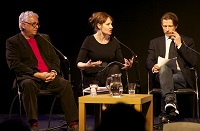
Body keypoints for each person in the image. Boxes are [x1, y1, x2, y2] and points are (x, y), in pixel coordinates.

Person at [5, 11, 78, 131]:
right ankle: (33, 124)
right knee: (28, 85)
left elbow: (54, 58)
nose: (36, 27)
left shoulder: (44, 38)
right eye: (33, 24)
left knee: (65, 84)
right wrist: (38, 74)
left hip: (49, 76)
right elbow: (14, 64)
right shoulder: (13, 41)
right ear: (23, 25)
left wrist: (54, 71)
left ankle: (73, 123)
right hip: (30, 77)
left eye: (37, 24)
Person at [146, 12, 198, 123]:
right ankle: (170, 103)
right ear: (161, 26)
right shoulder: (155, 42)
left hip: (181, 77)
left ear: (176, 26)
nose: (167, 29)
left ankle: (166, 112)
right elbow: (149, 61)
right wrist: (153, 67)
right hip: (160, 75)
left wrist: (180, 45)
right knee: (164, 69)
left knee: (165, 78)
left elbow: (194, 62)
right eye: (165, 26)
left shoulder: (187, 41)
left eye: (170, 26)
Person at [76, 11, 134, 90]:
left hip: (110, 75)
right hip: (93, 76)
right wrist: (86, 65)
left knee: (115, 68)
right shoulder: (89, 40)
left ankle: (112, 96)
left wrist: (127, 66)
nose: (111, 27)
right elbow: (79, 63)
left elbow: (120, 63)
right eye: (108, 24)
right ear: (99, 25)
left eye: (111, 24)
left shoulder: (114, 41)